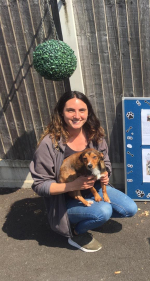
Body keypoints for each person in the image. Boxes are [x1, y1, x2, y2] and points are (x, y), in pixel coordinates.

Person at [29, 91, 138, 252]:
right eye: (70, 110)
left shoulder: (95, 135)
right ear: (61, 113)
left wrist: (106, 173)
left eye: (82, 110)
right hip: (65, 199)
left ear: (88, 112)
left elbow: (106, 162)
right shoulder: (49, 144)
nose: (77, 115)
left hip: (93, 189)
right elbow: (40, 185)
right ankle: (75, 231)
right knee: (103, 211)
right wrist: (72, 185)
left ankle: (90, 216)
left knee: (130, 209)